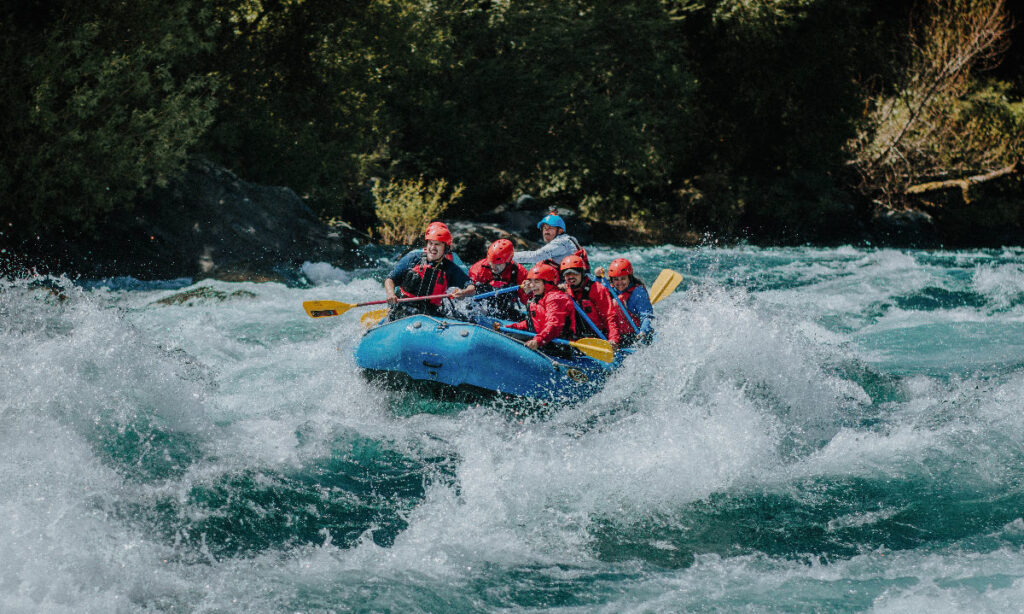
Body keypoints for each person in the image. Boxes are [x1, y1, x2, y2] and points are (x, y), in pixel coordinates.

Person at [384, 222, 475, 319]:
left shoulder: (450, 268)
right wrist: (391, 294)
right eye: (430, 243)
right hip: (403, 308)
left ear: (446, 248)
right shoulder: (412, 259)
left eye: (437, 244)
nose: (433, 248)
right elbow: (390, 279)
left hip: (431, 314)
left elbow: (471, 287)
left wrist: (463, 292)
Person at [502, 262, 576, 353]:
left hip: (558, 344)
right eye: (531, 281)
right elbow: (534, 323)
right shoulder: (538, 298)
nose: (532, 285)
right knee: (507, 335)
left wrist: (538, 340)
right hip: (544, 339)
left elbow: (554, 325)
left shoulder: (555, 298)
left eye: (536, 282)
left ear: (547, 283)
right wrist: (509, 327)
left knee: (510, 339)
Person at [560, 254, 627, 349]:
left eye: (574, 273)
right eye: (567, 274)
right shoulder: (563, 290)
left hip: (597, 339)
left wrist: (613, 339)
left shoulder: (597, 289)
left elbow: (609, 317)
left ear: (582, 273)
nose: (571, 277)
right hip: (574, 340)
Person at [469, 238, 529, 320]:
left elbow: (528, 301)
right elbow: (470, 292)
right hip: (479, 309)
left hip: (505, 311)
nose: (493, 267)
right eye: (491, 263)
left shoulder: (520, 273)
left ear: (508, 261)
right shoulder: (478, 268)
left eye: (498, 265)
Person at [601, 258, 654, 346]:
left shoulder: (638, 292)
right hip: (616, 336)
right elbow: (594, 287)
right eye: (616, 279)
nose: (619, 282)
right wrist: (597, 276)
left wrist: (643, 331)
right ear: (611, 280)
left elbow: (646, 315)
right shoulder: (608, 288)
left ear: (629, 277)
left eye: (623, 278)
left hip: (636, 335)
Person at [514, 210, 588, 270]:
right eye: (544, 228)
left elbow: (534, 256)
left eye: (550, 228)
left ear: (560, 231)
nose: (546, 231)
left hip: (568, 283)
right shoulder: (569, 239)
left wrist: (509, 255)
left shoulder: (560, 243)